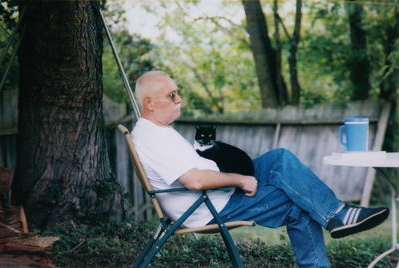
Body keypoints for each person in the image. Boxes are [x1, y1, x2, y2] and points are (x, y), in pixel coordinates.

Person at [131, 70, 389, 268]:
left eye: (177, 92)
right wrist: (241, 180)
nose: (180, 99)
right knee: (296, 203)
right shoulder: (153, 137)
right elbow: (194, 180)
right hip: (208, 207)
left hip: (216, 196)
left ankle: (338, 212)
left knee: (279, 158)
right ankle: (336, 220)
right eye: (171, 95)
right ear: (149, 103)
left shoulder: (157, 131)